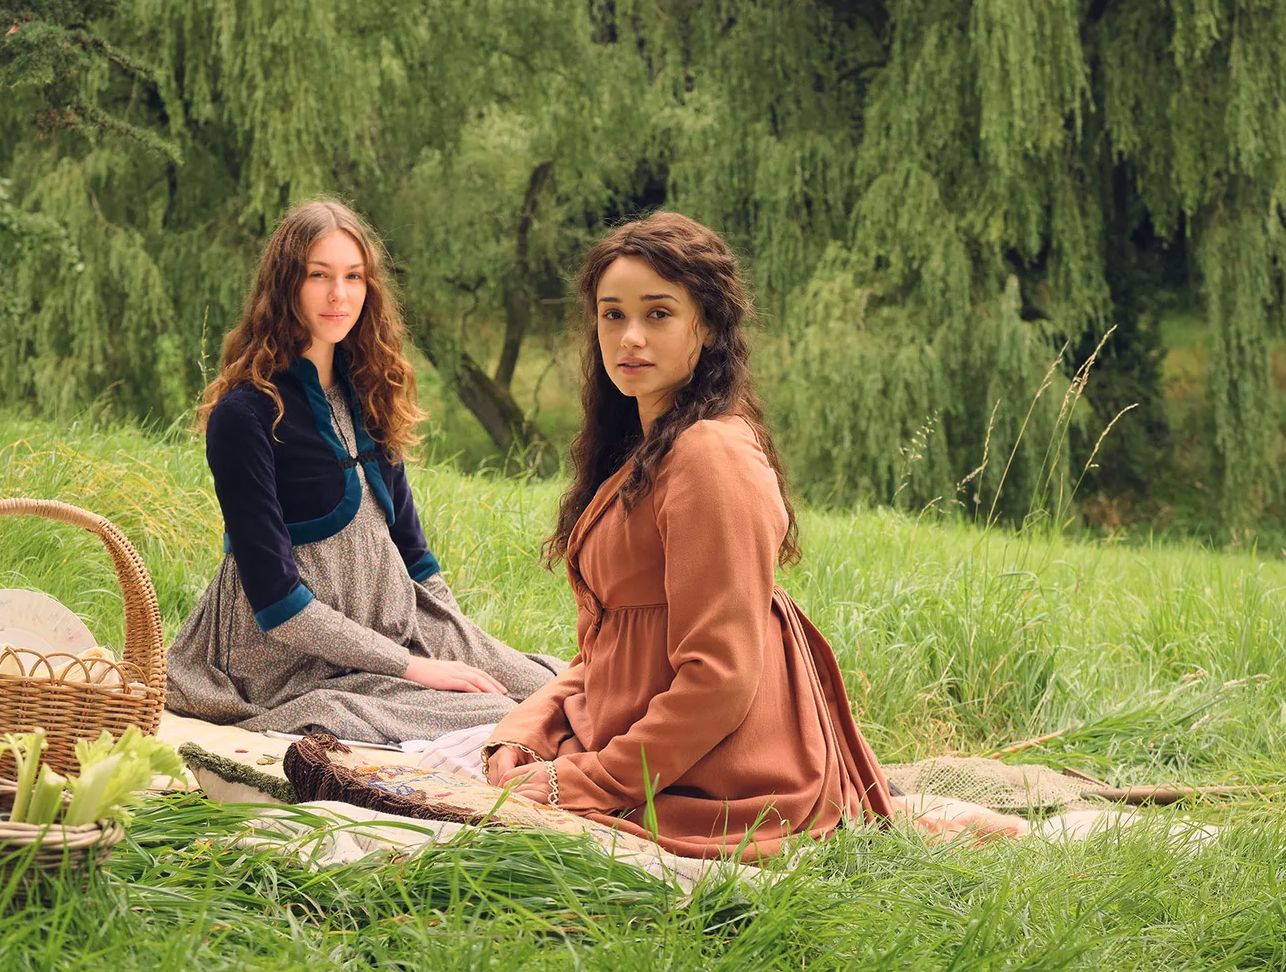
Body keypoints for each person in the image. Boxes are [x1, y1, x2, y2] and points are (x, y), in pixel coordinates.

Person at [481, 213, 1019, 860]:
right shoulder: (645, 446)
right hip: (645, 740)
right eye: (611, 315)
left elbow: (719, 682)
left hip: (726, 770)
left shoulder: (709, 456)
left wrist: (578, 782)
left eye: (658, 315)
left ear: (705, 327)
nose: (629, 337)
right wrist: (527, 732)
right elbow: (607, 650)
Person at [166, 199, 563, 743]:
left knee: (553, 688)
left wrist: (459, 643)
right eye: (319, 276)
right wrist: (416, 669)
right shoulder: (244, 413)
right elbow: (277, 602)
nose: (340, 295)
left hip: (396, 626)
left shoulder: (368, 389)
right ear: (285, 286)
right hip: (283, 658)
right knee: (502, 719)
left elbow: (414, 554)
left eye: (354, 277)